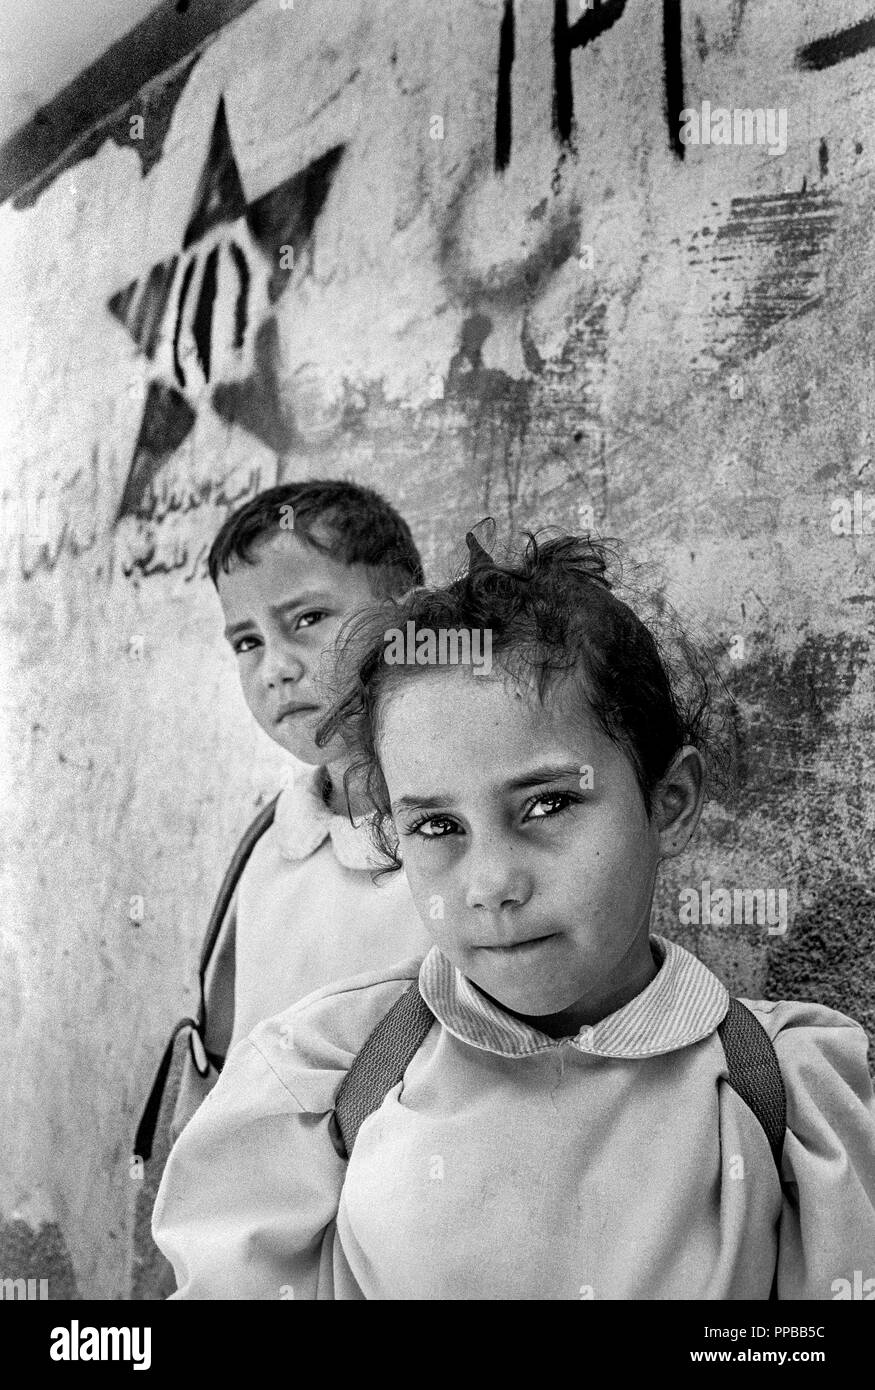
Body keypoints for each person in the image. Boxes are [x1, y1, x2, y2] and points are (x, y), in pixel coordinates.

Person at [152, 528, 875, 1299]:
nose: (491, 883)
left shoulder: (787, 1094)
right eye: (436, 827)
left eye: (548, 803)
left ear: (668, 804)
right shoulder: (317, 1080)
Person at [168, 479, 432, 1137]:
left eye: (307, 620)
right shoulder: (268, 842)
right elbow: (221, 1052)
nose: (275, 668)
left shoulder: (460, 834)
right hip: (262, 1220)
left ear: (407, 619)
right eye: (246, 641)